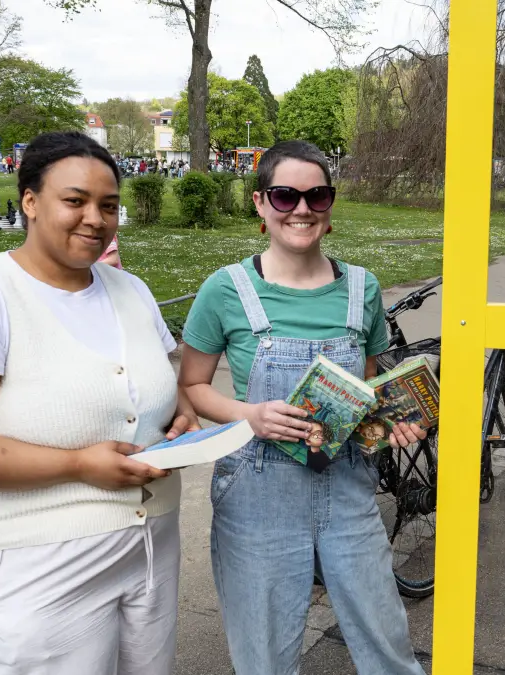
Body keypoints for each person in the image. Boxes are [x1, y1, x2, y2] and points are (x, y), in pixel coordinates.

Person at [0, 131, 198, 675]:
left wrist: (178, 417)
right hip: (39, 567)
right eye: (75, 200)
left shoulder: (131, 290)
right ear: (29, 202)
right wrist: (78, 464)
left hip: (150, 547)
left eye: (109, 206)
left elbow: (156, 391)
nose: (95, 218)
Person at [179, 139, 427, 675]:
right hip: (258, 498)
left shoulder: (362, 287)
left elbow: (366, 390)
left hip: (348, 493)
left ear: (331, 205)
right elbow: (193, 387)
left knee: (388, 647)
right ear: (260, 203)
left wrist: (392, 423)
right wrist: (251, 416)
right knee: (265, 657)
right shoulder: (226, 290)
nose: (302, 209)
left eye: (318, 196)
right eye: (285, 196)